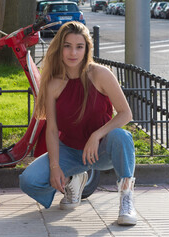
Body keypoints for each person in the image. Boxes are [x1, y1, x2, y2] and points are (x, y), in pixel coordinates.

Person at [19, 21, 137, 226]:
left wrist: (96, 135)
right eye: (67, 46)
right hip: (70, 151)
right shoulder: (53, 83)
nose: (73, 52)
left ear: (87, 49)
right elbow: (53, 130)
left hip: (101, 150)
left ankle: (126, 198)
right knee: (28, 181)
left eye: (79, 46)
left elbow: (126, 114)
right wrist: (55, 166)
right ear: (59, 48)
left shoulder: (100, 74)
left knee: (122, 136)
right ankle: (75, 180)